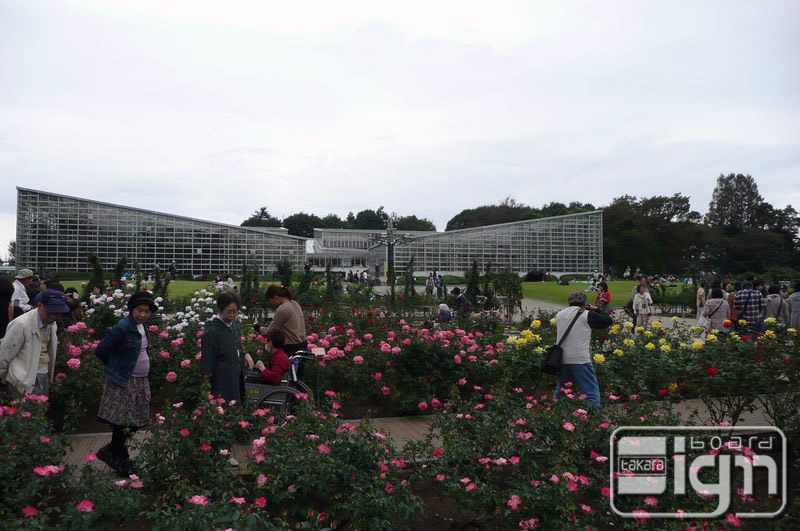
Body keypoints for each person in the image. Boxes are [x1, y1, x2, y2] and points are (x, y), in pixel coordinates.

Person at [94, 291, 158, 476]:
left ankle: (109, 451)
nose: (143, 314)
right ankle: (122, 462)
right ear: (131, 309)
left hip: (140, 382)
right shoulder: (122, 327)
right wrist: (116, 366)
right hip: (125, 382)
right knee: (123, 424)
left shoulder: (142, 326)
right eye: (140, 310)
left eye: (147, 311)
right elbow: (101, 350)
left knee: (137, 421)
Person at [0, 290, 67, 397]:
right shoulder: (21, 324)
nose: (53, 317)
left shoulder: (52, 325)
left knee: (40, 410)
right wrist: (5, 377)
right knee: (25, 411)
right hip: (23, 377)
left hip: (43, 373)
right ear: (40, 305)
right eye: (50, 312)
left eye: (57, 313)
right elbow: (4, 354)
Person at [554, 292, 613, 407]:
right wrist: (595, 309)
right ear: (584, 303)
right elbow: (608, 320)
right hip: (580, 359)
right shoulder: (587, 314)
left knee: (561, 392)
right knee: (591, 394)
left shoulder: (559, 314)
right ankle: (592, 418)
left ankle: (557, 414)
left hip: (562, 358)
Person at [200, 291, 253, 405]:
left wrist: (245, 354)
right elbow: (208, 363)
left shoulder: (234, 326)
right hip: (222, 382)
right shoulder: (212, 332)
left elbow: (238, 346)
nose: (232, 315)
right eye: (229, 311)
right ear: (220, 310)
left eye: (235, 311)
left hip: (236, 377)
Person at [264, 285, 307, 356]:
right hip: (302, 345)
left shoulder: (283, 309)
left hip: (290, 347)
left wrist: (260, 329)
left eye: (270, 301)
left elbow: (272, 331)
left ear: (276, 297)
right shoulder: (295, 303)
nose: (271, 303)